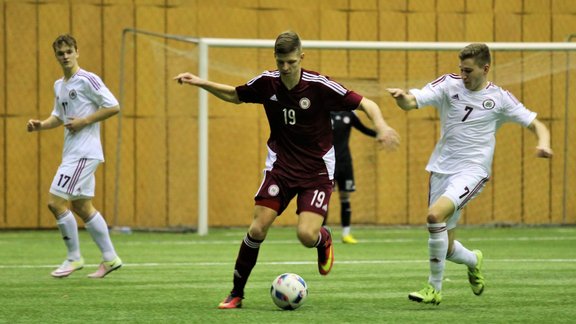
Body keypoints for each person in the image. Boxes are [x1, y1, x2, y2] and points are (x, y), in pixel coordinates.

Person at [174, 30, 400, 309]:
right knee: (257, 229)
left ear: (301, 58)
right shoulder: (267, 83)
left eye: (291, 62)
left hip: (316, 171)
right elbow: (235, 95)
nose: (285, 68)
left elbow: (367, 103)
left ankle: (323, 238)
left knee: (306, 236)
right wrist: (199, 82)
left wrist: (382, 127)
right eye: (281, 62)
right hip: (280, 167)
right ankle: (236, 293)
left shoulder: (319, 86)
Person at [387, 43, 553, 305]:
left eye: (468, 71)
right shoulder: (448, 84)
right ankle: (474, 260)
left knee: (434, 216)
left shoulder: (499, 98)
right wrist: (401, 100)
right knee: (448, 246)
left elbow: (536, 124)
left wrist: (543, 142)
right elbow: (412, 102)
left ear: (485, 69)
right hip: (442, 168)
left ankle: (434, 288)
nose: (463, 76)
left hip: (473, 170)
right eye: (461, 70)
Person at [27, 34, 123, 279]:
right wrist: (40, 125)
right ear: (56, 56)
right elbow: (58, 117)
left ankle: (74, 258)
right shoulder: (59, 85)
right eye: (61, 53)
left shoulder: (88, 80)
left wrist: (84, 121)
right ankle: (110, 258)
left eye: (69, 51)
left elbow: (113, 106)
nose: (65, 56)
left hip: (84, 153)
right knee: (82, 206)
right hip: (72, 152)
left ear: (77, 52)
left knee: (55, 202)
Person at [329, 111, 377, 244]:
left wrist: (380, 134)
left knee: (345, 197)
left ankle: (346, 234)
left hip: (345, 163)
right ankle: (322, 233)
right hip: (328, 162)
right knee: (324, 198)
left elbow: (364, 129)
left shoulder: (349, 114)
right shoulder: (324, 111)